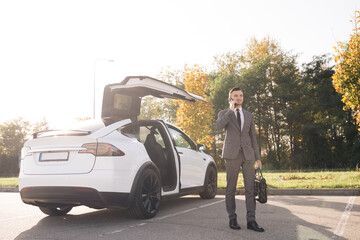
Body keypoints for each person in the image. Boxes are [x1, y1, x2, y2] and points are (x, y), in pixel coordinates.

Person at [215, 87, 264, 232]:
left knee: (250, 189)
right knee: (231, 189)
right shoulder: (224, 113)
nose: (238, 98)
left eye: (240, 95)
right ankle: (232, 218)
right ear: (230, 98)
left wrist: (258, 158)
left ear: (243, 97)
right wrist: (230, 110)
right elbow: (218, 126)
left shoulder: (249, 115)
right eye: (235, 96)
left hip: (248, 155)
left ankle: (251, 220)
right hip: (231, 155)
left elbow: (253, 138)